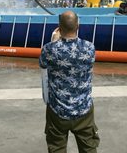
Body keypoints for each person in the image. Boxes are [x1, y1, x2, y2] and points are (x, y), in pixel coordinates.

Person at [39, 11, 100, 153]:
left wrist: (54, 42)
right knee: (89, 148)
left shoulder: (49, 49)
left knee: (57, 148)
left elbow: (43, 65)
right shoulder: (89, 48)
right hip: (83, 108)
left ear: (59, 27)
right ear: (77, 25)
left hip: (57, 110)